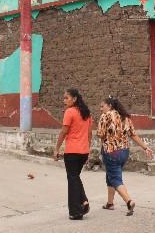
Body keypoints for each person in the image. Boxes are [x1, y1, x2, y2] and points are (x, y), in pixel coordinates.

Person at [97, 96, 153, 216]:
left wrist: (102, 151)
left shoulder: (105, 116)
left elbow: (101, 135)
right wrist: (145, 147)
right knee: (111, 175)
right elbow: (133, 135)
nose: (100, 108)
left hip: (111, 152)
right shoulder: (125, 118)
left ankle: (129, 201)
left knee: (115, 178)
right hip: (124, 152)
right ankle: (110, 203)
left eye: (103, 106)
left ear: (110, 106)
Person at [54, 88, 93, 220]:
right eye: (64, 98)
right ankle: (84, 202)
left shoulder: (69, 112)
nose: (64, 100)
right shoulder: (86, 113)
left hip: (72, 152)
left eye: (66, 98)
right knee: (75, 177)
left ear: (74, 99)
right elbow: (89, 134)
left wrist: (56, 149)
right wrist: (88, 150)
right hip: (83, 152)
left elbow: (64, 131)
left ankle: (76, 212)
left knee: (72, 179)